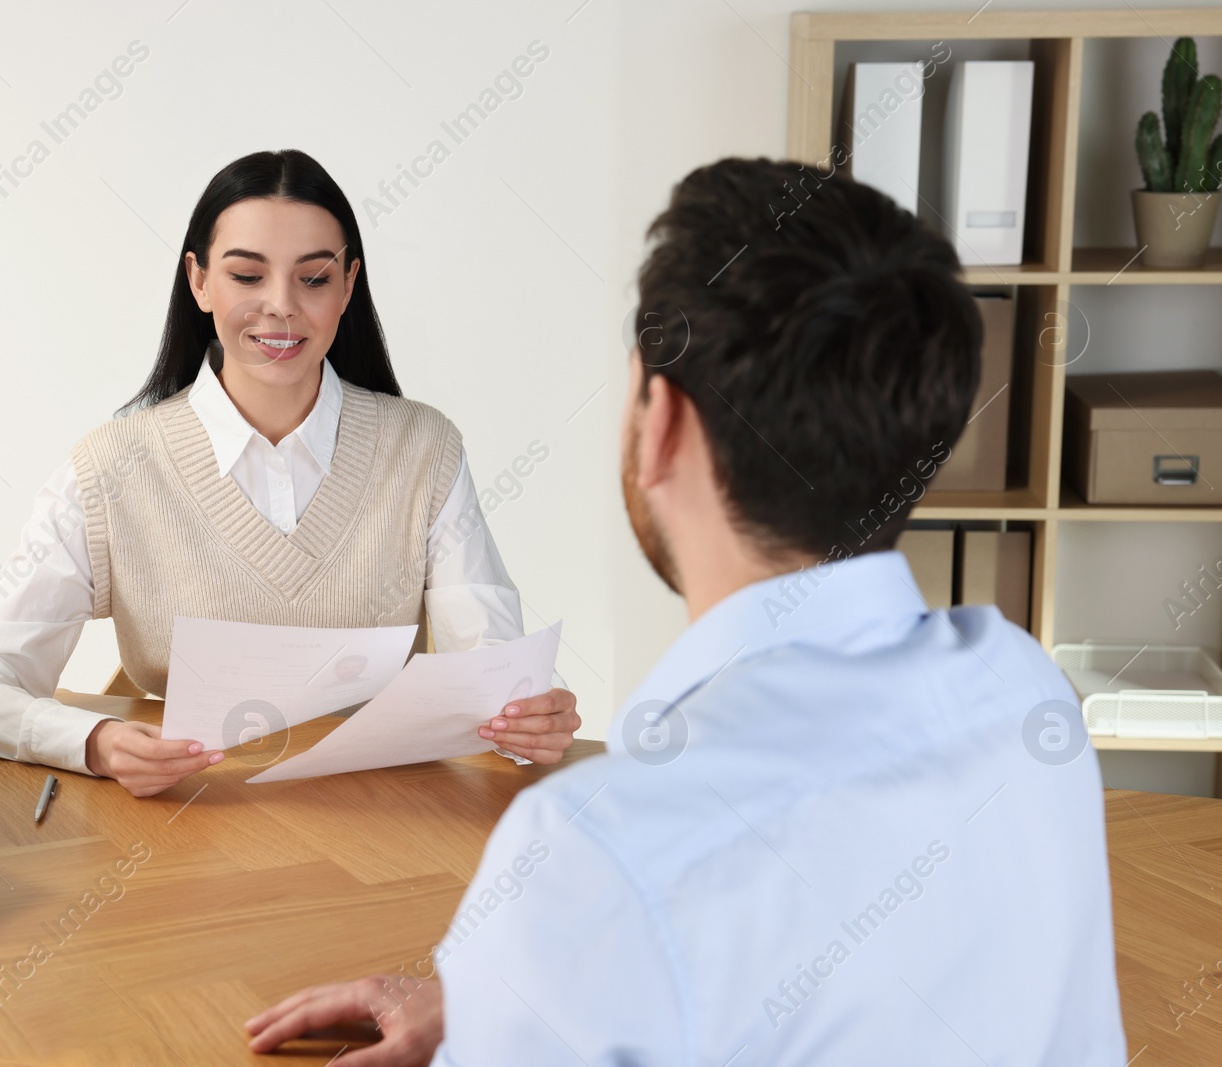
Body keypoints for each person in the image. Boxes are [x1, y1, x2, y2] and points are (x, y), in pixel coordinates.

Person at [243, 157, 1126, 1064]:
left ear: (660, 421)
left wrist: (545, 967)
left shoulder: (599, 856)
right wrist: (525, 991)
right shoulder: (1024, 691)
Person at [0, 150, 581, 796]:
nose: (281, 306)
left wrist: (523, 721)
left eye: (314, 278)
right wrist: (91, 741)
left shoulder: (424, 449)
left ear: (349, 284)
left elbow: (491, 678)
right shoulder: (112, 468)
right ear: (199, 280)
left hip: (381, 824)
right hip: (188, 818)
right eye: (247, 276)